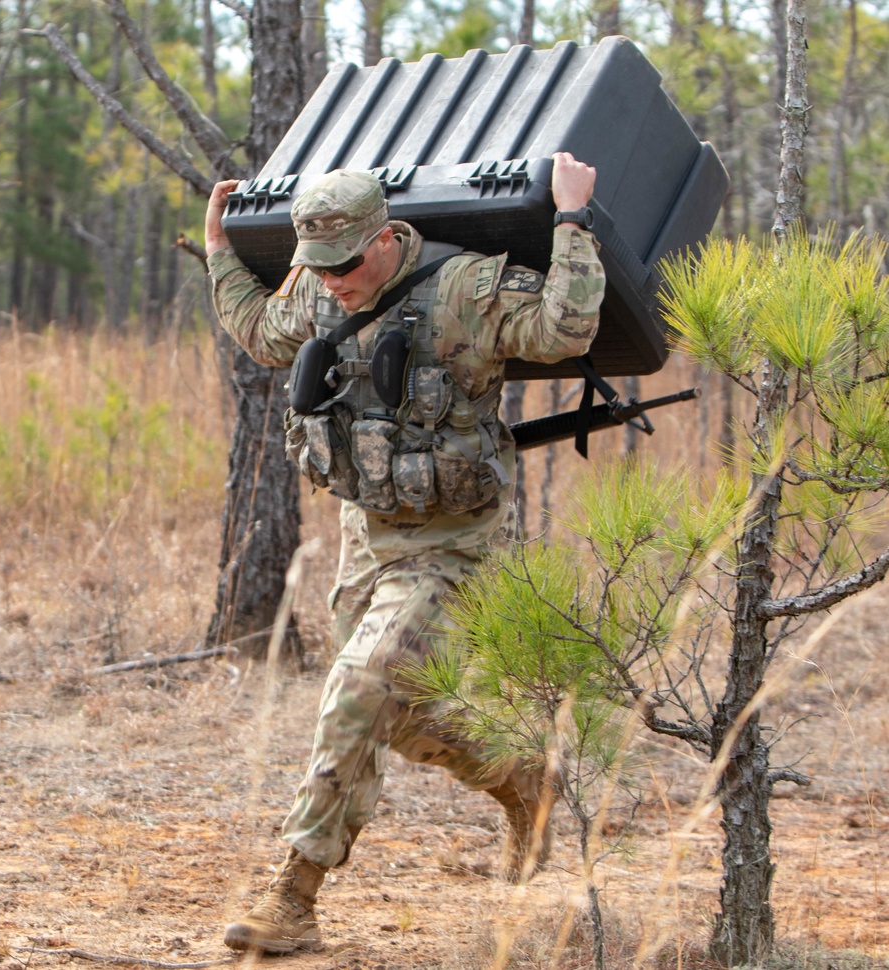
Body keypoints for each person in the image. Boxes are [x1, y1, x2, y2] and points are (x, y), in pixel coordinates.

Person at [203, 154, 605, 955]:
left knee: (357, 687)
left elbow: (566, 327)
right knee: (397, 716)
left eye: (347, 264)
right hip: (370, 539)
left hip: (454, 541)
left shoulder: (466, 289)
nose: (333, 282)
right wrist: (219, 248)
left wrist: (570, 218)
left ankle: (294, 896)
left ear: (387, 238)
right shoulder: (321, 287)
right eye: (317, 266)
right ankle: (519, 776)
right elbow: (260, 331)